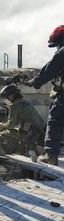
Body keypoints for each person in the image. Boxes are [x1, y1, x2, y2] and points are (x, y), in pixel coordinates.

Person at [25, 25, 64, 165]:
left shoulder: (62, 52)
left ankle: (51, 155)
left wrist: (35, 82)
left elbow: (50, 69)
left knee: (55, 120)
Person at [0, 84, 45, 160]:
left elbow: (10, 125)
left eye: (6, 97)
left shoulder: (14, 105)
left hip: (31, 134)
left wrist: (1, 125)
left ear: (12, 95)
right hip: (41, 132)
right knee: (20, 131)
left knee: (2, 133)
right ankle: (28, 148)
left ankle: (21, 150)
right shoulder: (26, 102)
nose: (6, 99)